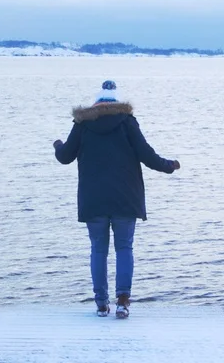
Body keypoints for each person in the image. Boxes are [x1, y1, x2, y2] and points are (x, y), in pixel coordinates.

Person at [53, 80, 180, 319]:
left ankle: (101, 304)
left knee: (98, 251)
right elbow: (147, 155)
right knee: (124, 248)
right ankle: (122, 302)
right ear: (118, 103)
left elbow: (65, 157)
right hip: (125, 198)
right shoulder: (127, 123)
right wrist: (169, 166)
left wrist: (58, 145)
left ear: (97, 103)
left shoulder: (83, 124)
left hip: (94, 200)